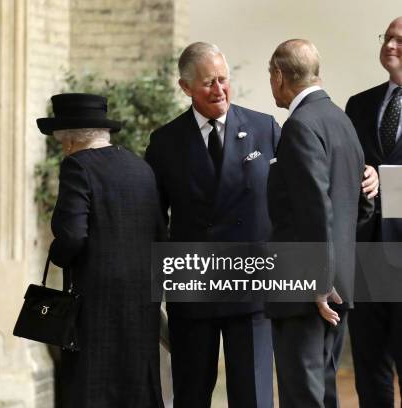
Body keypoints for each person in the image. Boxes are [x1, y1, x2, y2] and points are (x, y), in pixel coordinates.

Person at [145, 42, 280, 408]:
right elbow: (155, 221)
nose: (219, 90)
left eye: (223, 79)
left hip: (251, 283)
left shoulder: (264, 127)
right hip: (193, 286)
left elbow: (297, 194)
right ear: (185, 87)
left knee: (253, 396)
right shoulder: (164, 142)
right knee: (191, 394)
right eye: (208, 83)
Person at [37, 93, 166, 408]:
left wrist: (56, 254)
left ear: (67, 141)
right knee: (137, 386)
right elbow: (161, 234)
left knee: (94, 388)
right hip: (141, 300)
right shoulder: (141, 168)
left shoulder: (77, 166)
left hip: (95, 304)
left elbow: (72, 236)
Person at [266, 39, 373, 408]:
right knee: (324, 391)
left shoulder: (300, 125)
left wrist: (318, 278)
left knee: (303, 395)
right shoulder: (342, 121)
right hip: (339, 281)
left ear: (279, 75)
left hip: (308, 289)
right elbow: (362, 205)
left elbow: (315, 206)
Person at [345, 16, 402, 407]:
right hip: (365, 255)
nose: (391, 45)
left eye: (400, 40)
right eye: (388, 37)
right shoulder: (359, 105)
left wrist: (386, 180)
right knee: (370, 366)